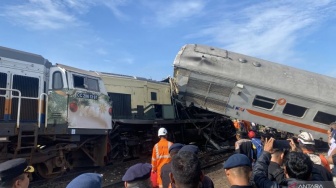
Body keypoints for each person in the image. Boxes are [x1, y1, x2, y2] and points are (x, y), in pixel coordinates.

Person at [253, 138, 326, 188]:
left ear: (285, 171)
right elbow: (313, 168)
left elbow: (258, 176)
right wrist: (295, 154)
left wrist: (265, 153)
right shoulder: (320, 182)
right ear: (310, 174)